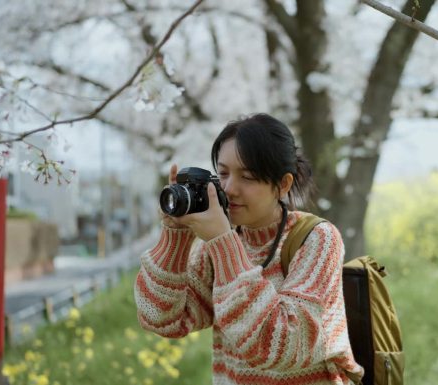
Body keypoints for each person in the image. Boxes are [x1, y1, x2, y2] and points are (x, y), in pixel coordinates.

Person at [134, 113, 364, 385]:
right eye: (223, 174)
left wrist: (223, 245)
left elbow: (282, 347)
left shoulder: (317, 239)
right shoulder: (220, 245)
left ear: (283, 184)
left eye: (249, 177)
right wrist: (175, 236)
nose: (230, 189)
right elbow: (161, 319)